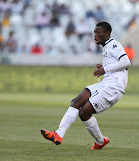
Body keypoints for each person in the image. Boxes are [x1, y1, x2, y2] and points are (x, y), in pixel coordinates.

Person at [41, 22, 131, 150]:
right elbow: (116, 65)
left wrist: (105, 69)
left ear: (107, 34)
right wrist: (105, 69)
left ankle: (100, 141)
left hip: (113, 88)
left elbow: (126, 61)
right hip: (106, 84)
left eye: (98, 32)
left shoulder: (114, 44)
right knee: (76, 101)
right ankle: (58, 134)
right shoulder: (107, 47)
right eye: (94, 32)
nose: (95, 35)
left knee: (84, 112)